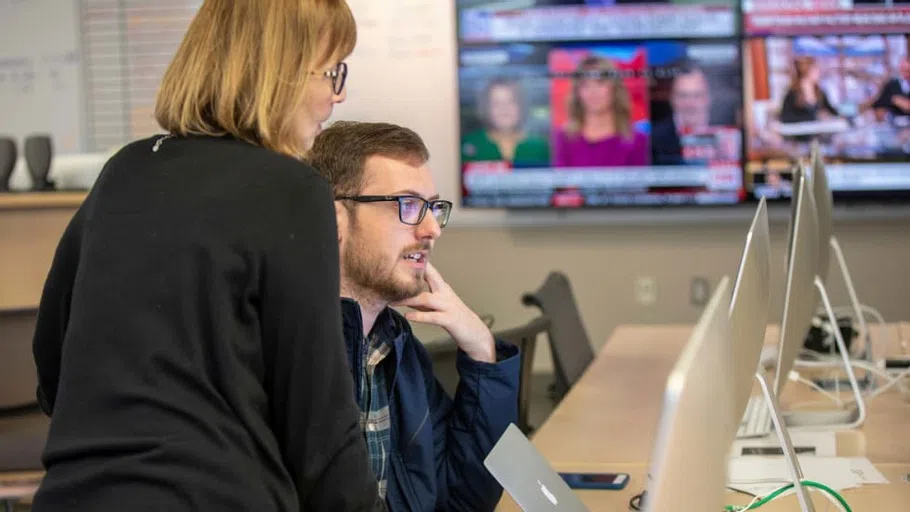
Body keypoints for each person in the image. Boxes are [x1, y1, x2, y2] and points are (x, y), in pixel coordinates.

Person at [31, 1, 384, 510]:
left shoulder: (125, 170)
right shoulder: (291, 190)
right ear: (278, 74)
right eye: (331, 72)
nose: (339, 93)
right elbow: (318, 426)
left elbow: (53, 367)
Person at [306, 121, 521, 511]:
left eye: (433, 207)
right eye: (407, 205)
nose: (431, 229)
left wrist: (481, 352)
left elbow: (464, 502)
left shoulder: (397, 348)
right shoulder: (290, 354)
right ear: (333, 218)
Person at [552, 55, 649, 168]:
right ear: (577, 92)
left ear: (614, 88)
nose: (593, 92)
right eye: (585, 85)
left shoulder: (637, 141)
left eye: (600, 83)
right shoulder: (562, 139)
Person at [461, 77, 550, 168]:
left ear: (521, 106)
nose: (504, 109)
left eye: (511, 102)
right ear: (486, 108)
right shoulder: (469, 143)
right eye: (496, 103)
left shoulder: (539, 146)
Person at [651, 66, 712, 165]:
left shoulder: (726, 134)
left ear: (707, 99)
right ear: (672, 99)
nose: (690, 104)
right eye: (683, 96)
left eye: (697, 95)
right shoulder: (653, 139)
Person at [778, 56, 838, 124]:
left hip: (819, 131)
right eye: (815, 69)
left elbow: (831, 110)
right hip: (799, 133)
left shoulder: (819, 92)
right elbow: (786, 117)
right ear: (806, 71)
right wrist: (815, 117)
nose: (819, 72)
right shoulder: (792, 93)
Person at [871, 57, 910, 122]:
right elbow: (880, 108)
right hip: (897, 124)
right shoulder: (892, 85)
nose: (907, 74)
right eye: (904, 70)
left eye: (908, 71)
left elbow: (906, 105)